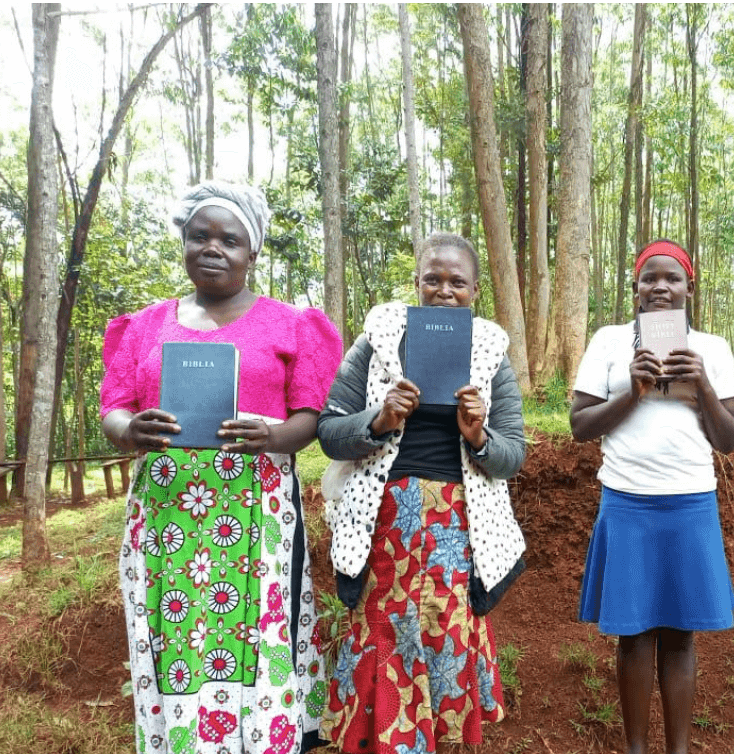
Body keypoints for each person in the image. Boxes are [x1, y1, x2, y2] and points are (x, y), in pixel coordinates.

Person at [101, 181, 343, 754]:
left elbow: (312, 416)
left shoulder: (290, 325)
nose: (213, 248)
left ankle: (265, 738)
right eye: (200, 236)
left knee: (255, 634)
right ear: (183, 242)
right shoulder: (146, 325)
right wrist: (129, 430)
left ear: (252, 253)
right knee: (176, 633)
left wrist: (273, 435)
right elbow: (114, 408)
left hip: (257, 519)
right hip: (166, 525)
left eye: (229, 239)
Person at [317, 232, 526, 754]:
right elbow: (329, 431)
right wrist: (381, 418)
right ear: (417, 283)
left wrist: (478, 434)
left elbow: (513, 455)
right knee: (384, 634)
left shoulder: (490, 352)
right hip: (382, 523)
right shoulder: (378, 340)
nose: (444, 290)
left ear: (475, 290)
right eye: (432, 279)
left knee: (446, 637)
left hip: (459, 528)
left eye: (457, 282)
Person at [571, 239, 734, 754]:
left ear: (690, 287)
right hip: (627, 502)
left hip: (689, 503)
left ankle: (679, 748)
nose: (661, 287)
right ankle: (636, 748)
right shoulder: (608, 342)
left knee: (681, 634)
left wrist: (704, 386)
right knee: (635, 633)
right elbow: (579, 426)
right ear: (636, 289)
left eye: (672, 278)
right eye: (650, 278)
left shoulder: (712, 348)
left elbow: (729, 439)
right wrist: (634, 391)